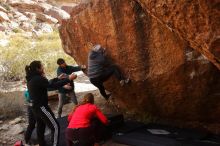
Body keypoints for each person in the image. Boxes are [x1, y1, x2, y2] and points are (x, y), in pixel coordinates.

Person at [25, 60, 77, 146]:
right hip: (41, 107)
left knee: (41, 127)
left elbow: (47, 83)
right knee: (55, 127)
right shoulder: (38, 78)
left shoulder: (32, 79)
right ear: (38, 68)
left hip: (35, 108)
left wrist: (58, 78)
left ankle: (42, 144)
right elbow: (51, 86)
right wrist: (68, 79)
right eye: (42, 66)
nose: (43, 67)